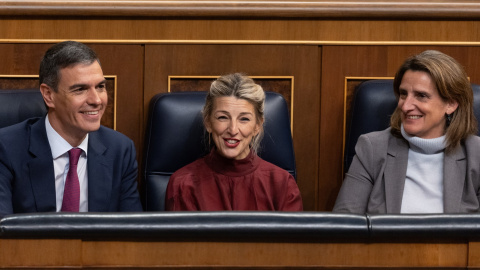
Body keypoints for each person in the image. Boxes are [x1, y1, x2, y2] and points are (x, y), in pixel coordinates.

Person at [0, 41, 143, 215]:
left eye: (100, 87)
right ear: (49, 95)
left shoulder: (120, 150)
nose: (96, 100)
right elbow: (4, 231)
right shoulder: (7, 149)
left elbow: (131, 231)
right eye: (80, 89)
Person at [333, 50, 480, 214]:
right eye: (404, 94)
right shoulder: (373, 148)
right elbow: (345, 222)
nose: (405, 105)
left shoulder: (476, 154)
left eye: (421, 95)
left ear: (451, 104)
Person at [165, 73, 303, 211]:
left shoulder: (282, 184)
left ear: (258, 126)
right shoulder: (183, 184)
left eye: (244, 119)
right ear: (208, 122)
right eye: (223, 117)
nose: (233, 130)